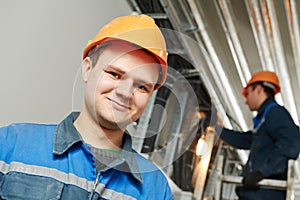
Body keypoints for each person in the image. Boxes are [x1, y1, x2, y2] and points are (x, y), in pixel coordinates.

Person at [0, 14, 173, 200]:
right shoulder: (11, 145)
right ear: (87, 69)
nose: (125, 92)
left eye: (141, 86)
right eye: (114, 74)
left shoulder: (156, 190)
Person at [214, 71, 300, 200]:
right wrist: (217, 130)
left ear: (259, 90)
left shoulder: (275, 113)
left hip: (265, 195)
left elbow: (292, 144)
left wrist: (262, 173)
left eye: (248, 94)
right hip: (256, 193)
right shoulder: (265, 118)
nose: (246, 102)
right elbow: (246, 140)